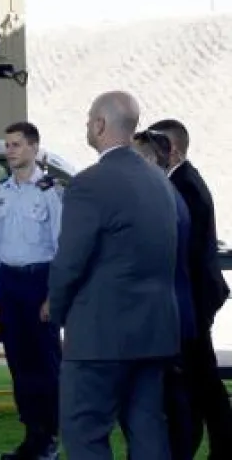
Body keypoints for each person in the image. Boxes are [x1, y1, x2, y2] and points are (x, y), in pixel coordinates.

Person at [50, 91, 180, 460]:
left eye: (90, 118)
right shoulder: (160, 182)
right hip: (154, 331)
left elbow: (69, 261)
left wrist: (55, 311)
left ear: (100, 124)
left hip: (99, 335)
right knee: (148, 431)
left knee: (85, 432)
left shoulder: (89, 183)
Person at [147, 118, 232, 458]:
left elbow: (186, 251)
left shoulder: (184, 187)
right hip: (196, 298)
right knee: (203, 380)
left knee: (201, 381)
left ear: (173, 150)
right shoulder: (185, 181)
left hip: (193, 300)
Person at [0, 121, 65, 460]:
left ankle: (51, 437)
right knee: (19, 364)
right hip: (10, 283)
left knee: (45, 363)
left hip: (39, 281)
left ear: (34, 148)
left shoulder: (49, 191)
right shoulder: (0, 191)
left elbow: (62, 245)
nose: (10, 151)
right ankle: (31, 435)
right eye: (8, 145)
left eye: (16, 144)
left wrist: (53, 294)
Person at [133, 130, 198, 460]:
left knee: (168, 403)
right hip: (169, 313)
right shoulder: (168, 195)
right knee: (167, 402)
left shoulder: (161, 200)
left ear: (146, 159)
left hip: (163, 316)